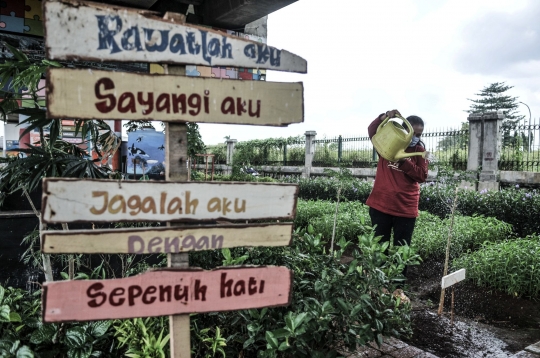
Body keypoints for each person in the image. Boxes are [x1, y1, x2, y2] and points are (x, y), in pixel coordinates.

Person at [366, 109, 428, 270]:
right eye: (413, 133)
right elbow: (372, 130)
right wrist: (385, 116)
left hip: (405, 208)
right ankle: (379, 288)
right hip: (381, 205)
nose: (415, 138)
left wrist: (404, 163)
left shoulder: (419, 151)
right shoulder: (388, 145)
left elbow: (422, 175)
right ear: (404, 131)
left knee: (402, 250)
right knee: (380, 248)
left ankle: (398, 289)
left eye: (419, 135)